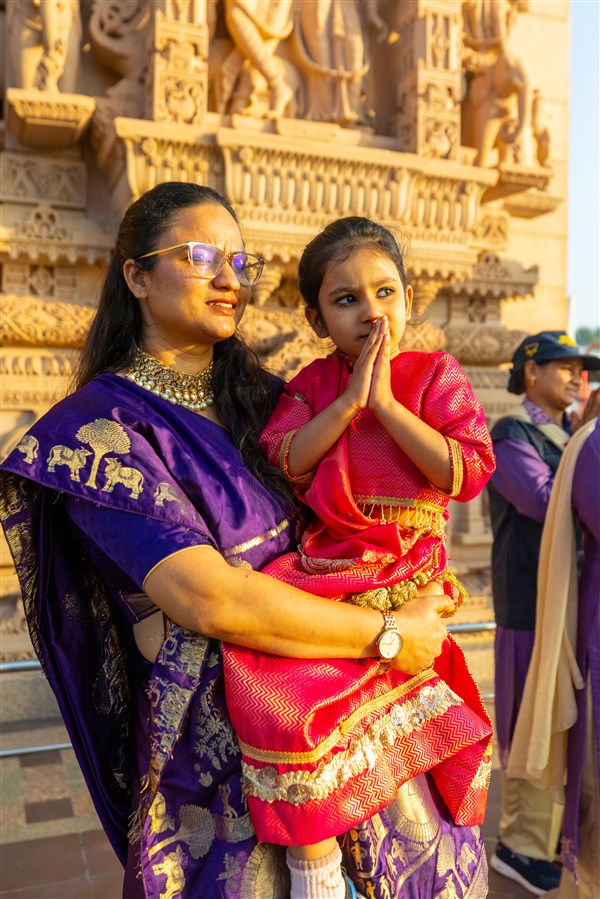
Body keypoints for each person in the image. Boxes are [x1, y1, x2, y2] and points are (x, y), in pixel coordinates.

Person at [0, 183, 488, 899]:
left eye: (241, 260)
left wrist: (416, 580)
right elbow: (209, 597)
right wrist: (389, 633)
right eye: (201, 256)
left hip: (363, 733)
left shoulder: (274, 401)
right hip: (225, 763)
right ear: (135, 275)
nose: (231, 278)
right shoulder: (99, 433)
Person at [223, 216, 495, 897]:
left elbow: (466, 470)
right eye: (346, 300)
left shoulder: (434, 373)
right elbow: (285, 457)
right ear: (317, 318)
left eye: (385, 292)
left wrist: (387, 406)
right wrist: (348, 403)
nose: (371, 311)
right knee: (270, 686)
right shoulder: (312, 384)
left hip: (403, 567)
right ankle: (315, 870)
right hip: (329, 567)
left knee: (317, 690)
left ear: (408, 298)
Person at [487, 331, 600, 896]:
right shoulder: (512, 432)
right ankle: (515, 844)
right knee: (525, 722)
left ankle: (548, 838)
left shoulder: (569, 435)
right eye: (564, 367)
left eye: (582, 369)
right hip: (529, 605)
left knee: (561, 723)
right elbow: (541, 498)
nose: (577, 377)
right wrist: (586, 449)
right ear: (530, 373)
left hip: (567, 606)